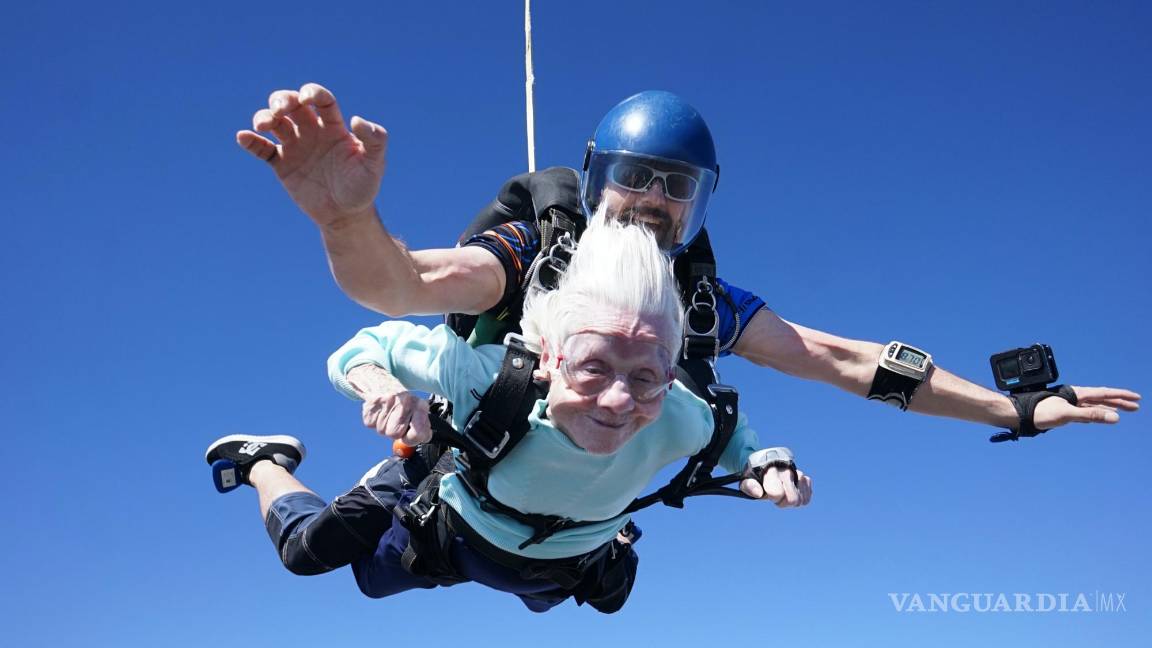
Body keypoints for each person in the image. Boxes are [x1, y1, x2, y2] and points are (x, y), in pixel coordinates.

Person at [236, 83, 1139, 439]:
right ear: (596, 178)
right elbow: (408, 285)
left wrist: (1014, 408)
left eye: (680, 188)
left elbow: (847, 362)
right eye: (635, 176)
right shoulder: (534, 253)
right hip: (474, 449)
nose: (655, 201)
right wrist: (347, 222)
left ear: (702, 202)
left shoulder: (698, 302)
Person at [206, 221, 812, 613]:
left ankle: (595, 539)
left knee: (607, 595)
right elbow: (359, 350)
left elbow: (729, 432)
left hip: (559, 562)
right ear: (548, 356)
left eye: (647, 377)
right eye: (593, 367)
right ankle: (265, 463)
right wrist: (387, 390)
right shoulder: (487, 375)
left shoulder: (681, 415)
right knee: (320, 558)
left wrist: (765, 461)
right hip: (450, 524)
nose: (619, 401)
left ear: (669, 374)